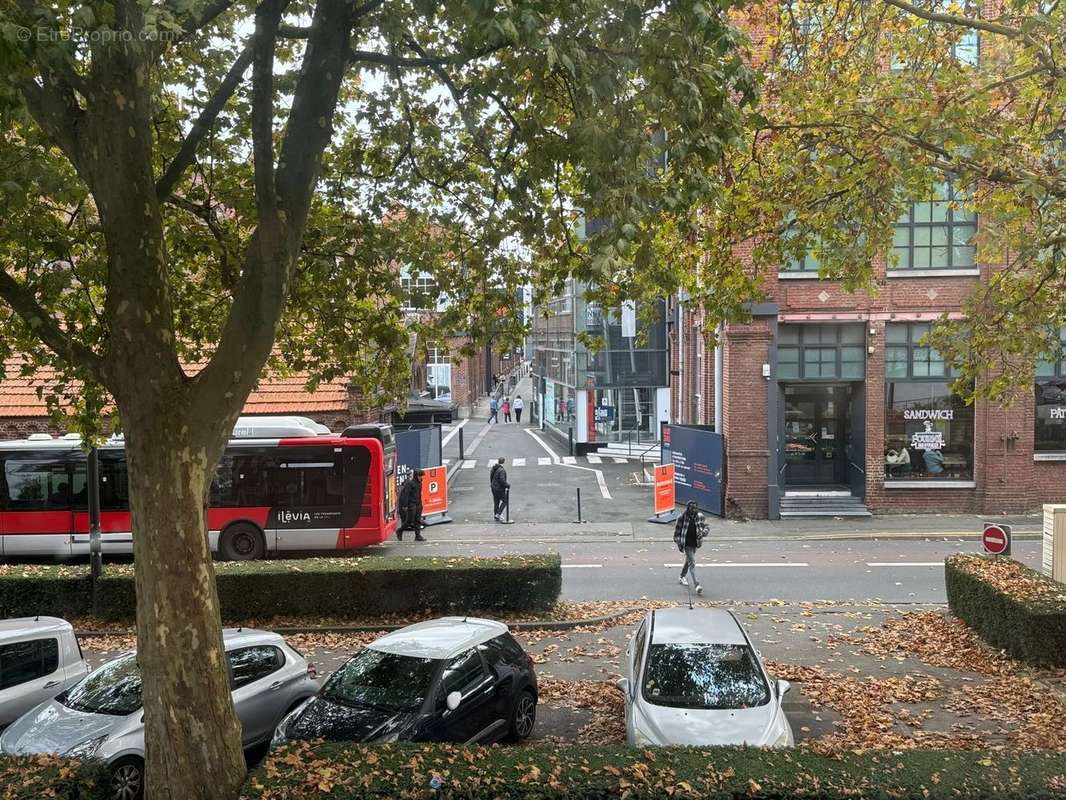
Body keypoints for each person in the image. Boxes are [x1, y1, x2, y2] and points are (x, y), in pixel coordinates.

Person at [673, 501, 706, 595]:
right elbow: (676, 534)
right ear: (688, 508)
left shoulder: (700, 516)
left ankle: (682, 576)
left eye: (695, 508)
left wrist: (702, 533)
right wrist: (679, 543)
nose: (693, 509)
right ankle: (697, 585)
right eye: (691, 508)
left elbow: (706, 527)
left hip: (695, 543)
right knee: (692, 563)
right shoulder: (682, 517)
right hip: (686, 544)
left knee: (688, 560)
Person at [397, 470, 426, 541]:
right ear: (416, 476)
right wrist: (405, 505)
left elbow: (419, 494)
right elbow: (405, 495)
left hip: (418, 503)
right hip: (411, 504)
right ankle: (400, 530)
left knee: (418, 520)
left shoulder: (420, 483)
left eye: (421, 476)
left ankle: (418, 536)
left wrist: (420, 504)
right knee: (410, 520)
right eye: (419, 476)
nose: (420, 477)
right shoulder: (410, 484)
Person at [489, 457, 510, 521]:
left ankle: (496, 515)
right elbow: (502, 480)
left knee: (496, 502)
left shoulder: (494, 468)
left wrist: (492, 484)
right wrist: (507, 485)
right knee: (505, 501)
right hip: (499, 488)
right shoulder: (501, 470)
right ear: (504, 462)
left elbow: (491, 477)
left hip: (493, 487)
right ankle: (498, 514)